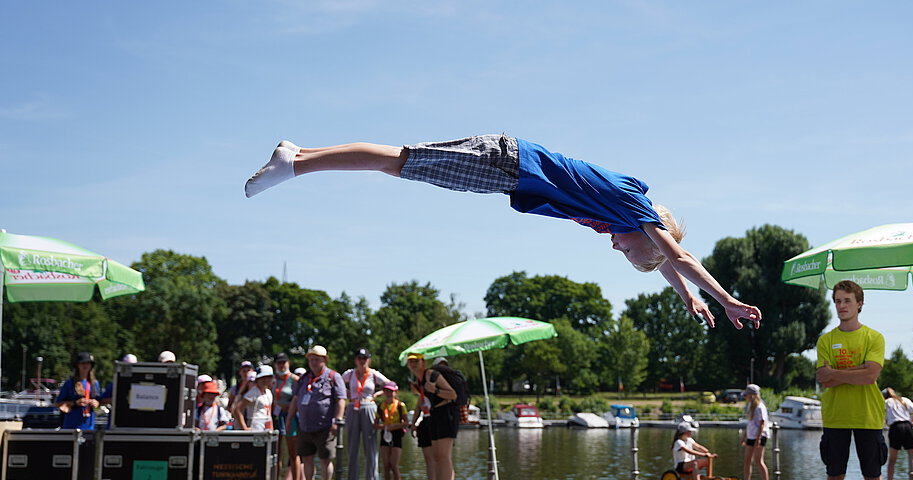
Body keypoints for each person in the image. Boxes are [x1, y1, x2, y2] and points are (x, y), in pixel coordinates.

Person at [246, 136, 762, 330]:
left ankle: (300, 158)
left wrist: (688, 299)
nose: (614, 243)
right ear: (647, 234)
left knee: (403, 165)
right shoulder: (633, 207)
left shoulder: (626, 216)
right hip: (508, 163)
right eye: (625, 248)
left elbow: (669, 260)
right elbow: (679, 255)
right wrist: (725, 300)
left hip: (507, 171)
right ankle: (297, 163)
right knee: (401, 163)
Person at [808, 280, 887, 480]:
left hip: (869, 416)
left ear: (860, 304)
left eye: (847, 301)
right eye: (838, 301)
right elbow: (824, 380)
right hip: (835, 416)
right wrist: (857, 371)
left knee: (873, 478)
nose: (842, 306)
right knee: (834, 478)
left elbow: (871, 376)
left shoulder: (874, 337)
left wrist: (838, 373)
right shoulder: (826, 340)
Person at [285, 345, 345, 480]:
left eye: (316, 359)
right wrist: (289, 418)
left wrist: (336, 420)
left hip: (325, 426)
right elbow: (296, 399)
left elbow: (340, 400)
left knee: (325, 458)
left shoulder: (333, 377)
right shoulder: (304, 378)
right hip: (305, 426)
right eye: (311, 359)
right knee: (306, 458)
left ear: (324, 360)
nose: (313, 362)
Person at [339, 348, 393, 480]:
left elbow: (390, 384)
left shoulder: (374, 374)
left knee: (371, 448)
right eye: (359, 358)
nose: (362, 361)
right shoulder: (349, 374)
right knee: (352, 447)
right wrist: (348, 394)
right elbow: (338, 384)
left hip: (369, 406)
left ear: (369, 360)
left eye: (365, 358)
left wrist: (377, 394)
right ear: (355, 360)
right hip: (353, 407)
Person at [406, 353, 459, 480]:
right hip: (434, 415)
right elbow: (421, 401)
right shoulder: (420, 379)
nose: (413, 364)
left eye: (416, 361)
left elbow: (452, 394)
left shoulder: (431, 375)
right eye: (411, 362)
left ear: (423, 362)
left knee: (443, 457)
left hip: (446, 415)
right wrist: (414, 421)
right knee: (436, 457)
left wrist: (435, 390)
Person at [271, 352, 303, 480]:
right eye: (279, 363)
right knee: (276, 452)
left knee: (293, 452)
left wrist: (288, 406)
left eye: (284, 363)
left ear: (288, 363)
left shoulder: (295, 380)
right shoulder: (271, 380)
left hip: (291, 417)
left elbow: (299, 399)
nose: (282, 365)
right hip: (275, 417)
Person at [376, 381, 408, 480]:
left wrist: (394, 426)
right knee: (385, 465)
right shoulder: (381, 406)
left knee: (394, 464)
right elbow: (375, 424)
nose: (388, 393)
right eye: (386, 391)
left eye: (391, 391)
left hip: (396, 433)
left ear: (395, 392)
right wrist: (384, 427)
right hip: (385, 432)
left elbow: (406, 423)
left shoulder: (400, 405)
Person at [54, 352, 101, 431]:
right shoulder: (69, 383)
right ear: (77, 365)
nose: (85, 365)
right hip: (71, 426)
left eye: (88, 363)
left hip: (89, 426)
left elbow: (99, 400)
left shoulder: (94, 384)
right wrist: (75, 403)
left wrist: (96, 403)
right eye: (83, 363)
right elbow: (58, 404)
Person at [739, 383, 771, 480]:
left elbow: (762, 424)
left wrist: (758, 439)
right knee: (747, 460)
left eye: (747, 395)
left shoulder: (760, 407)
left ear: (753, 395)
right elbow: (749, 423)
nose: (746, 397)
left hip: (760, 436)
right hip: (751, 435)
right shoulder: (750, 406)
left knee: (758, 460)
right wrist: (744, 436)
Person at [234, 365, 275, 431]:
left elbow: (269, 412)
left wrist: (271, 428)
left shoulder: (268, 392)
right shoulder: (253, 392)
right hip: (255, 424)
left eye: (269, 377)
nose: (266, 380)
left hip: (266, 425)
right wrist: (244, 428)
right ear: (257, 379)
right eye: (263, 377)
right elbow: (238, 410)